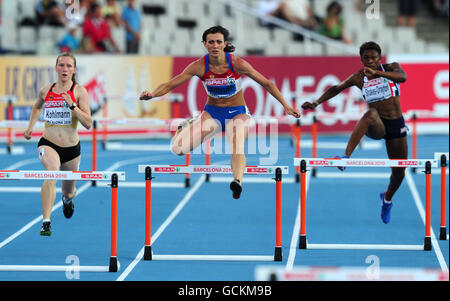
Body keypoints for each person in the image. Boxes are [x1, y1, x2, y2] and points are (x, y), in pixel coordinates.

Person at [140, 26, 300, 199]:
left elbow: (267, 83)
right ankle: (186, 125)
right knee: (177, 150)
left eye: (218, 42)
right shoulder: (199, 66)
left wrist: (286, 106)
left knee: (237, 142)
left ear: (225, 44)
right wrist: (152, 94)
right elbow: (170, 84)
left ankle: (237, 181)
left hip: (237, 113)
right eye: (211, 42)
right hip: (213, 114)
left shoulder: (237, 63)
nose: (215, 45)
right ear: (204, 44)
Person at [301, 41, 408, 224]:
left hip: (396, 124)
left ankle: (387, 198)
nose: (370, 61)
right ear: (361, 60)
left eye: (374, 58)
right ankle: (345, 157)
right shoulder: (359, 77)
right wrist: (316, 103)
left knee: (399, 174)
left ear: (379, 58)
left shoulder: (391, 68)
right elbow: (336, 88)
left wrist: (378, 73)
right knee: (370, 113)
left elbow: (402, 78)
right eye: (366, 58)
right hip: (377, 125)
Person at [23, 53, 92, 236]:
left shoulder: (79, 92)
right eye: (61, 65)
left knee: (69, 192)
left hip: (71, 149)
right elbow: (37, 106)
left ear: (74, 70)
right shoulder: (46, 90)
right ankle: (46, 222)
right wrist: (30, 127)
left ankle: (67, 200)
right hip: (48, 143)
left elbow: (88, 123)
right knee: (51, 173)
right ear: (56, 68)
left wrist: (72, 106)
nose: (65, 69)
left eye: (69, 66)